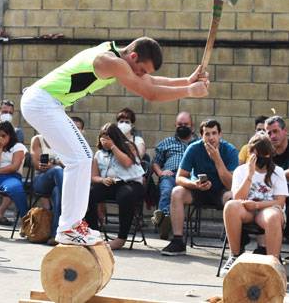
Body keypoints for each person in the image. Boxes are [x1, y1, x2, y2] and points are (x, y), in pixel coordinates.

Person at [20, 36, 209, 245]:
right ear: (134, 56)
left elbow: (150, 81)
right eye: (142, 69)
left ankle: (72, 225)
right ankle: (68, 227)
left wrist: (187, 81)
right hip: (41, 103)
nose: (141, 75)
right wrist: (191, 91)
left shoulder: (116, 56)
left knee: (82, 158)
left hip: (48, 103)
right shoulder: (110, 61)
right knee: (81, 159)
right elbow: (151, 93)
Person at [161, 119, 238, 256]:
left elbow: (231, 185)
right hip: (198, 189)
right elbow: (179, 177)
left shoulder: (230, 150)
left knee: (232, 198)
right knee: (177, 192)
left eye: (214, 133)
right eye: (207, 134)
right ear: (202, 136)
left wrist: (217, 159)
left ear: (220, 134)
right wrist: (194, 184)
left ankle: (235, 248)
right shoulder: (194, 148)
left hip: (221, 191)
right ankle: (178, 241)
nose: (211, 137)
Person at [220, 133, 287, 277]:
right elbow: (238, 198)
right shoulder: (241, 171)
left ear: (268, 154)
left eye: (262, 155)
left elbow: (280, 202)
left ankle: (273, 264)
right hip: (246, 211)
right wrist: (249, 175)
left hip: (267, 210)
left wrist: (257, 206)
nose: (258, 159)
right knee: (231, 206)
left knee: (273, 216)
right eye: (254, 155)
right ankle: (235, 256)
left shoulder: (278, 172)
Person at [85, 123, 145, 250]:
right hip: (111, 184)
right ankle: (94, 234)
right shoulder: (99, 154)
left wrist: (113, 147)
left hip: (132, 184)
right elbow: (94, 176)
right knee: (89, 193)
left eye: (108, 137)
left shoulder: (128, 147)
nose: (105, 140)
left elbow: (127, 163)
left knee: (125, 195)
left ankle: (121, 238)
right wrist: (102, 180)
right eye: (103, 137)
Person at [150, 111, 198, 239]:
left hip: (191, 178)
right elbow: (155, 162)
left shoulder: (199, 144)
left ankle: (165, 220)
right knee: (167, 190)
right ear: (175, 126)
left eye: (186, 124)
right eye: (179, 124)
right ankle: (164, 222)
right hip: (170, 175)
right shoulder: (167, 142)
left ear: (192, 126)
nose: (182, 126)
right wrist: (160, 172)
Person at [30, 131, 64, 246]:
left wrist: (55, 163)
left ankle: (55, 235)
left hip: (58, 184)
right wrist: (47, 166)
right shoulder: (37, 139)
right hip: (41, 179)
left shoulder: (63, 140)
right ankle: (69, 204)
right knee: (58, 170)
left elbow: (70, 163)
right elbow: (35, 164)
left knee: (58, 192)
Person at [264, 116, 289, 238]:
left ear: (285, 131)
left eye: (276, 131)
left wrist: (279, 176)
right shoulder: (265, 152)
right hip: (270, 194)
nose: (272, 136)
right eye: (269, 133)